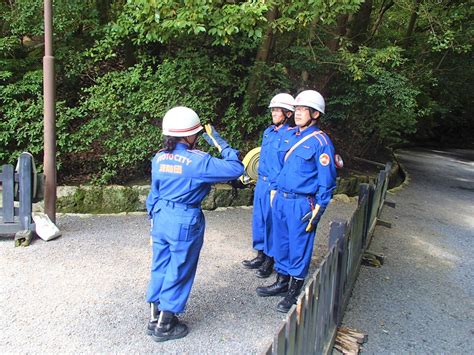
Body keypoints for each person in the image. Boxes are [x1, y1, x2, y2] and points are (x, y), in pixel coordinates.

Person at [145, 106, 244, 342]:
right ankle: (165, 326)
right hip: (183, 220)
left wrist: (154, 215)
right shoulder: (198, 161)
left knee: (160, 265)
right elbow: (236, 168)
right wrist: (221, 143)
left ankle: (154, 317)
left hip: (161, 216)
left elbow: (154, 192)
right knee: (180, 268)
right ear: (190, 135)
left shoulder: (159, 158)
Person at [256, 90, 337, 313]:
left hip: (302, 202)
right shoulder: (290, 136)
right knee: (281, 241)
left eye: (304, 110)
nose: (298, 113)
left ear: (315, 114)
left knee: (298, 245)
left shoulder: (321, 142)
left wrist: (318, 210)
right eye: (297, 109)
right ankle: (281, 281)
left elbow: (327, 181)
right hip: (281, 198)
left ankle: (294, 289)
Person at [242, 93, 295, 279]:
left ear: (288, 113)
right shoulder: (268, 132)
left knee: (273, 223)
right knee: (260, 219)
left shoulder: (292, 136)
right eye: (272, 109)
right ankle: (260, 254)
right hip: (262, 183)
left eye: (277, 110)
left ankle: (270, 259)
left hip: (277, 186)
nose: (273, 113)